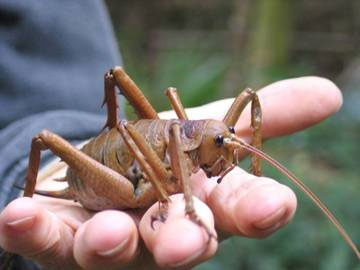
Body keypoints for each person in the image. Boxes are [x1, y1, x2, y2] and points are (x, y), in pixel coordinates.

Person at [0, 1, 343, 270]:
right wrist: (185, 204)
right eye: (220, 145)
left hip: (123, 148)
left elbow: (248, 101)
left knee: (249, 94)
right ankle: (19, 216)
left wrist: (251, 166)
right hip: (113, 178)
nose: (223, 152)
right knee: (47, 135)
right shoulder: (178, 143)